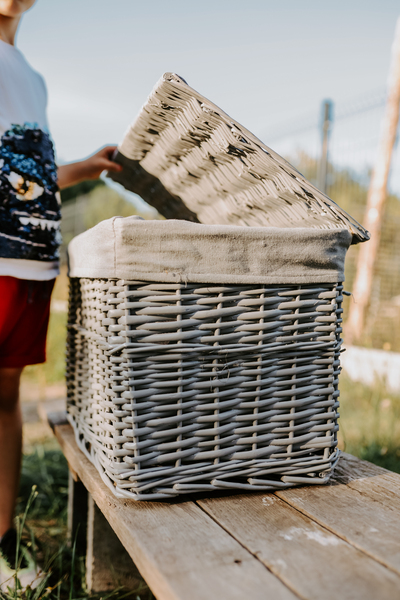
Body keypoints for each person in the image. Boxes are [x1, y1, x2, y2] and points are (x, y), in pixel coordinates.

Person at [0, 0, 122, 588]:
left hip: (33, 258)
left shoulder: (32, 75)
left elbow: (30, 169)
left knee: (7, 399)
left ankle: (2, 539)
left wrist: (83, 167)